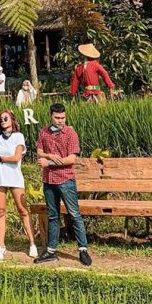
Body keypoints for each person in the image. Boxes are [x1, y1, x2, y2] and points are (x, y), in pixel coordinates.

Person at [34, 102, 92, 266]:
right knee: (53, 216)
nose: (60, 121)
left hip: (65, 179)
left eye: (63, 117)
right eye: (57, 118)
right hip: (48, 180)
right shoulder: (44, 132)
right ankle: (51, 251)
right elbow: (39, 153)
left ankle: (82, 249)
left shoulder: (70, 133)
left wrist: (49, 162)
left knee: (74, 214)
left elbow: (71, 159)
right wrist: (50, 156)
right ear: (51, 116)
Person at [0, 110, 38, 261]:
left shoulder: (18, 136)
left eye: (5, 118)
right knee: (0, 211)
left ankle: (32, 243)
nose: (3, 120)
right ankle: (1, 246)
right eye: (0, 119)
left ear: (12, 120)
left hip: (14, 177)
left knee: (22, 210)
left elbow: (16, 158)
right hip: (0, 176)